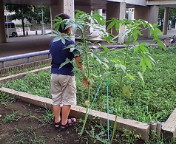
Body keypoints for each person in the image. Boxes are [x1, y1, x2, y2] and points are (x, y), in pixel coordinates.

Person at [49, 13, 85, 130]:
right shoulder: (71, 43)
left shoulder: (53, 42)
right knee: (67, 100)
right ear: (69, 27)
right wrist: (85, 77)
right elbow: (79, 63)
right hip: (67, 75)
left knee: (56, 99)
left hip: (54, 74)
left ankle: (57, 121)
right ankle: (64, 123)